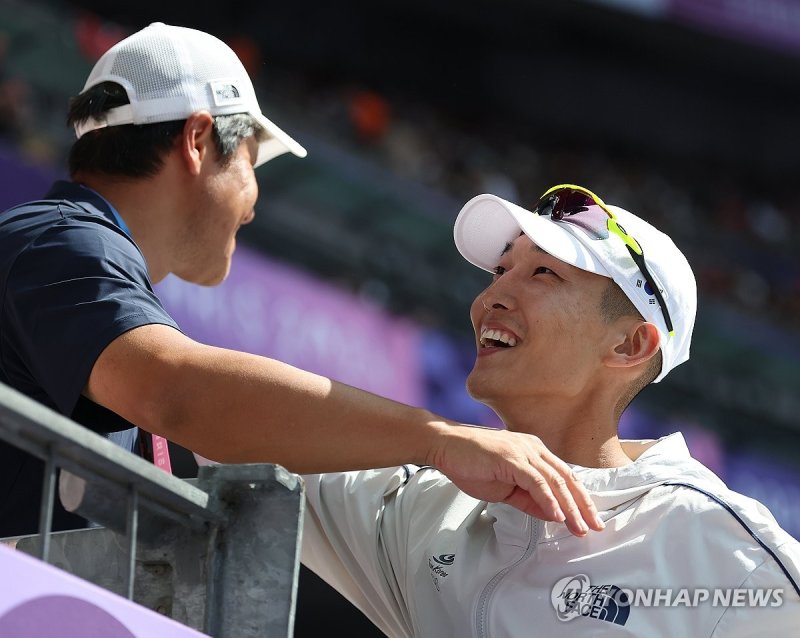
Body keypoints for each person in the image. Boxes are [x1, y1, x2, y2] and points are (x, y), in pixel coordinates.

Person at [0, 24, 604, 539]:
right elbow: (178, 393)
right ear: (197, 140)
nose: (254, 202)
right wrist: (440, 439)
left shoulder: (72, 249)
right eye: (252, 163)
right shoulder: (64, 240)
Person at [301, 184, 800, 636]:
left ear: (630, 344)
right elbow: (227, 419)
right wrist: (432, 437)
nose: (490, 297)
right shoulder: (426, 506)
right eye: (500, 271)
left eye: (543, 272)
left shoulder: (721, 545)